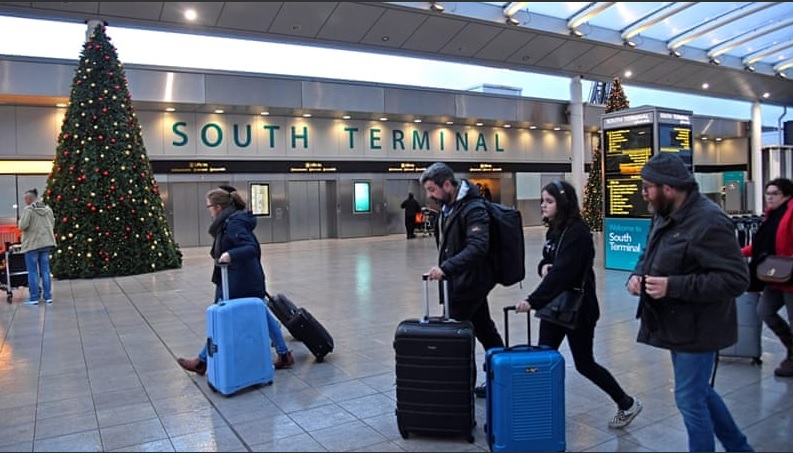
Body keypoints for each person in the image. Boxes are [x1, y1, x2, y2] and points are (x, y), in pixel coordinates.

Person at [625, 153, 753, 452]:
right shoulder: (664, 212)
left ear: (668, 188)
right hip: (676, 324)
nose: (643, 194)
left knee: (689, 398)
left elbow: (735, 279)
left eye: (647, 187)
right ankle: (740, 447)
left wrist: (673, 286)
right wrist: (638, 274)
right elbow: (649, 251)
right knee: (698, 392)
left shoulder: (710, 221)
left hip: (701, 327)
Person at [514, 180, 642, 430]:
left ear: (563, 203)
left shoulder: (578, 233)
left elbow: (564, 272)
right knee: (543, 356)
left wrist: (532, 300)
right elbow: (549, 260)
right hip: (555, 307)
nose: (543, 205)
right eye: (542, 201)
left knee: (584, 363)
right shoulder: (555, 229)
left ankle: (626, 403)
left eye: (549, 201)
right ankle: (540, 410)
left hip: (578, 309)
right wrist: (543, 267)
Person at [177, 186, 294, 375]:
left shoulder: (234, 223)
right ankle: (284, 353)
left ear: (217, 207)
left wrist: (230, 254)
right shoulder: (230, 221)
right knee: (262, 313)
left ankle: (202, 361)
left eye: (209, 207)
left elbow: (251, 248)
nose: (208, 211)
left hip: (239, 281)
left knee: (220, 318)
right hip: (241, 278)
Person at [420, 162, 504, 398]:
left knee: (460, 339)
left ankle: (463, 391)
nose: (430, 195)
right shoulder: (450, 207)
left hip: (468, 284)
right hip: (463, 283)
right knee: (485, 330)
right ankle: (502, 377)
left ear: (447, 184)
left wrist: (446, 268)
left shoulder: (473, 208)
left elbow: (478, 247)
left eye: (432, 189)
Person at [739, 177, 793, 377]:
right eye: (767, 193)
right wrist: (741, 252)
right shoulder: (772, 216)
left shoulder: (789, 213)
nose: (769, 198)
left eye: (774, 194)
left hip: (790, 277)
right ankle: (791, 350)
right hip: (776, 276)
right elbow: (762, 245)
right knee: (764, 311)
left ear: (786, 195)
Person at [18, 188, 56, 305]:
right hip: (46, 243)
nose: (25, 201)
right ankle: (48, 296)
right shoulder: (47, 209)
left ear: (30, 198)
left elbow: (22, 226)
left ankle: (34, 298)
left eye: (25, 198)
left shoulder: (28, 210)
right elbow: (52, 223)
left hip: (32, 244)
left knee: (33, 271)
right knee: (45, 270)